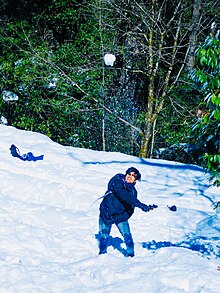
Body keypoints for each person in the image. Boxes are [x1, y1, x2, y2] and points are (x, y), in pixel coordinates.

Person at [98, 167, 158, 257]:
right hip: (106, 215)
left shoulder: (133, 192)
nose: (130, 176)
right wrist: (141, 205)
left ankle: (131, 256)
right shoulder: (117, 181)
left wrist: (120, 218)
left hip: (120, 217)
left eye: (133, 176)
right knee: (104, 237)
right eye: (129, 174)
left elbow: (130, 209)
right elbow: (124, 195)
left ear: (136, 180)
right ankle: (102, 255)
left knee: (128, 237)